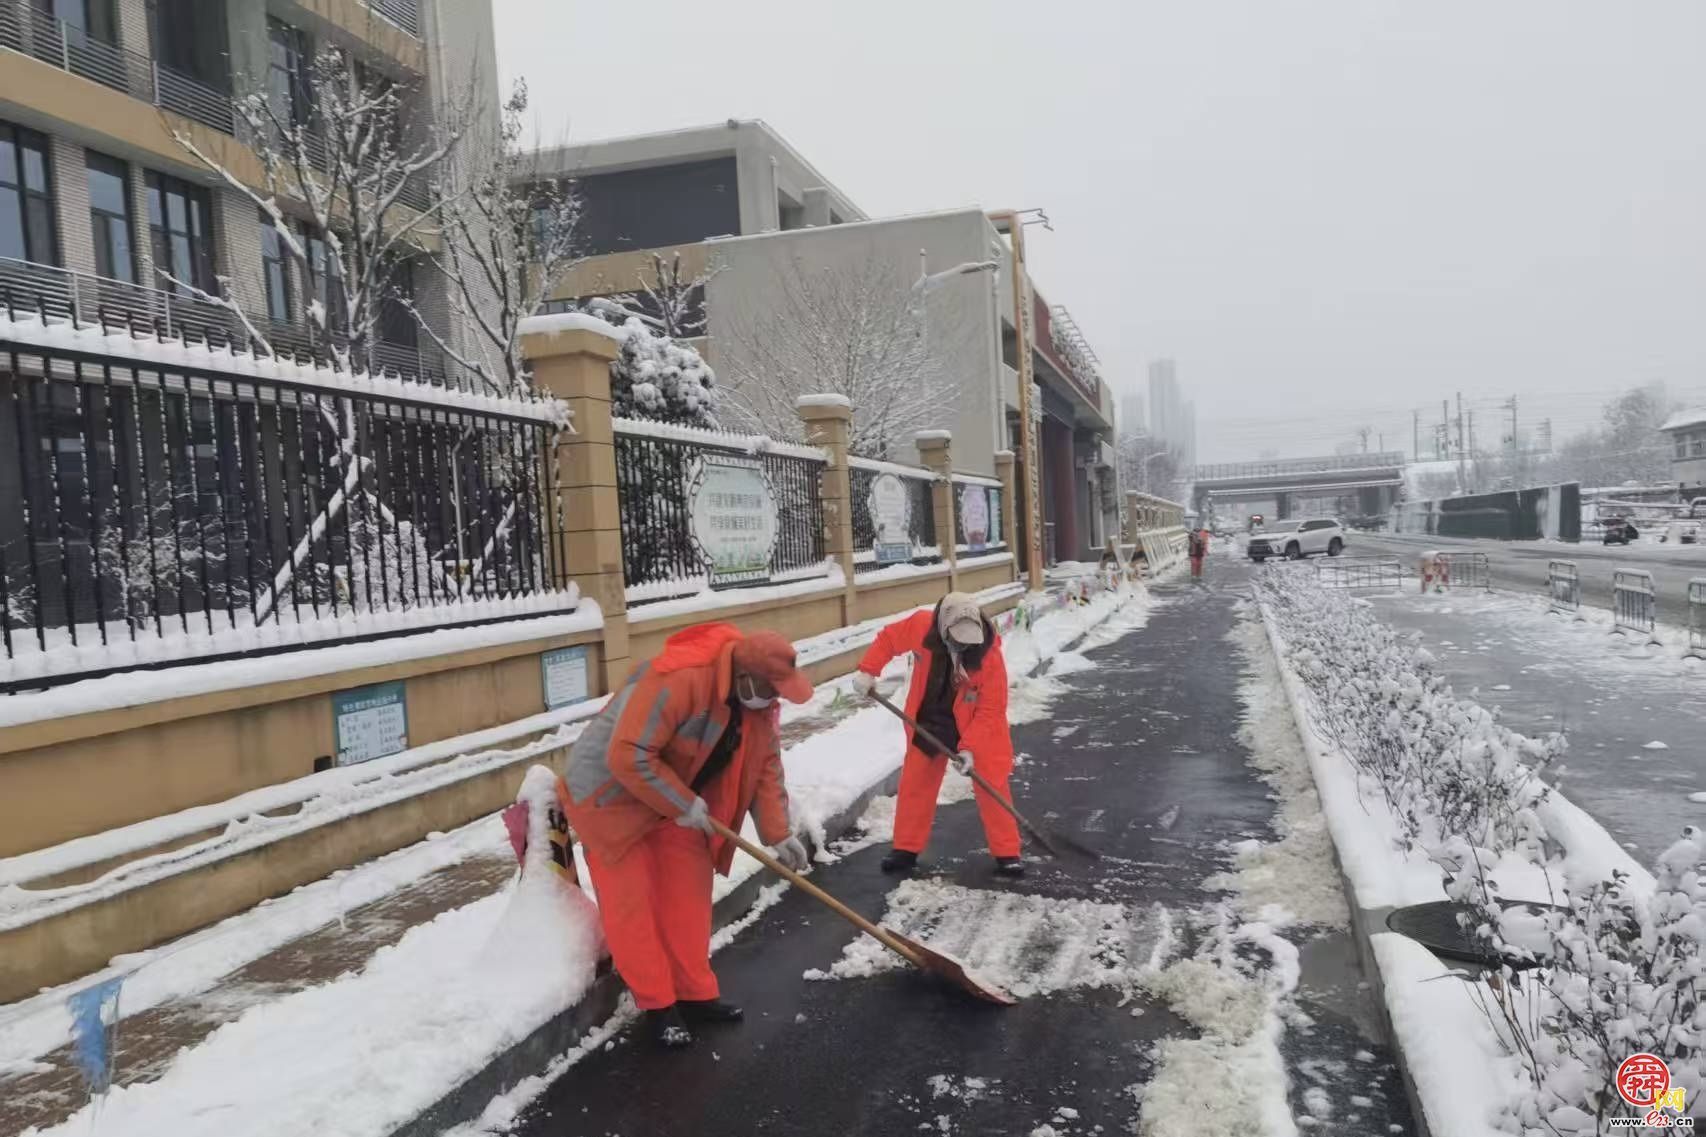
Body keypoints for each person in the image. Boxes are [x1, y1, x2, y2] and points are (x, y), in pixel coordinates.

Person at [561, 623, 813, 1049]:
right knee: (632, 905)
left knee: (688, 897)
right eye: (770, 690)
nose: (774, 700)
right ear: (744, 676)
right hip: (610, 798)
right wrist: (682, 802)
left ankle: (694, 995)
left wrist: (778, 832)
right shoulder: (678, 679)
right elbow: (628, 755)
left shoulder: (755, 703)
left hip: (674, 797)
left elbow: (765, 764)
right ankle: (658, 1006)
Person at [851, 593, 1022, 877]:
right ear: (944, 628)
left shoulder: (988, 654)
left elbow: (991, 708)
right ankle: (905, 849)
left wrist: (970, 748)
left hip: (974, 726)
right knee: (915, 784)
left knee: (992, 785)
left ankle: (1008, 853)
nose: (963, 647)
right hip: (929, 719)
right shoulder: (921, 625)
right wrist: (868, 671)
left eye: (968, 642)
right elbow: (888, 639)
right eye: (957, 640)